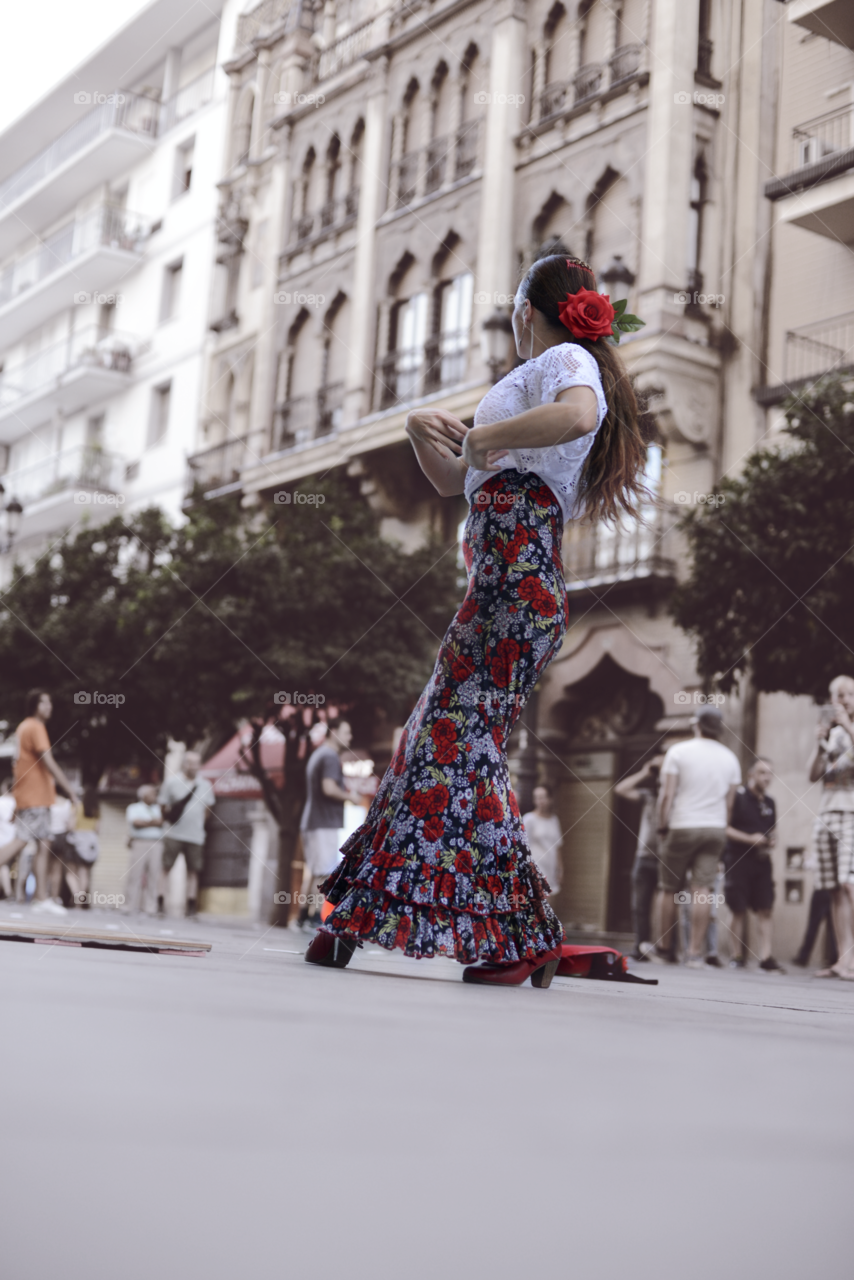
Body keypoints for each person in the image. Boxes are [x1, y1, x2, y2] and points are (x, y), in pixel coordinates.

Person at [307, 254, 649, 986]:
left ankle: (501, 934)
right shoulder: (536, 377)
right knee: (437, 743)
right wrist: (415, 431)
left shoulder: (563, 357)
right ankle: (407, 921)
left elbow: (578, 415)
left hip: (517, 585)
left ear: (528, 309)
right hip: (503, 584)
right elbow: (455, 481)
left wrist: (485, 438)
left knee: (448, 746)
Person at [655, 708, 742, 968]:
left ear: (696, 726)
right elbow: (730, 805)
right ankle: (694, 953)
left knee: (669, 887)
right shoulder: (731, 758)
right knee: (702, 891)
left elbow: (666, 796)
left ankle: (665, 949)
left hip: (683, 825)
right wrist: (721, 826)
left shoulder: (678, 752)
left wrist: (662, 825)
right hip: (715, 828)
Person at [0, 691, 78, 915]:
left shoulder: (23, 727)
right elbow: (48, 760)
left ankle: (41, 897)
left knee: (44, 843)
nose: (50, 705)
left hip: (35, 796)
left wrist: (17, 800)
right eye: (45, 701)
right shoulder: (35, 727)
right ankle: (41, 897)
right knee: (21, 841)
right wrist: (70, 790)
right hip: (35, 796)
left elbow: (18, 769)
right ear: (35, 705)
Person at [806, 675, 854, 978]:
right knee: (835, 889)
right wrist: (819, 744)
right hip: (827, 811)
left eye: (847, 694)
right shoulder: (835, 737)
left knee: (850, 885)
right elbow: (813, 775)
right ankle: (843, 960)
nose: (842, 700)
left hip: (852, 812)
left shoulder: (848, 732)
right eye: (837, 695)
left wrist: (847, 726)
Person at [724, 758, 784, 972]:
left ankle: (766, 957)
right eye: (762, 772)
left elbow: (773, 828)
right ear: (751, 774)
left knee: (765, 907)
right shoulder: (738, 798)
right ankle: (736, 955)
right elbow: (725, 828)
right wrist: (750, 839)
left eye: (769, 773)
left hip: (762, 861)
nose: (766, 777)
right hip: (738, 860)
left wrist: (772, 838)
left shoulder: (770, 802)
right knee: (738, 908)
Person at [295, 721, 352, 930]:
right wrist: (350, 797)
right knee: (324, 873)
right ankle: (315, 918)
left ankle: (303, 917)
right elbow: (328, 788)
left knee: (315, 871)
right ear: (334, 733)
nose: (350, 736)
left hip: (313, 820)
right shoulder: (329, 756)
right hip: (323, 821)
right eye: (347, 732)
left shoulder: (318, 754)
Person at [614, 755, 664, 961]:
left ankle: (665, 948)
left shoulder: (680, 798)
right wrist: (645, 772)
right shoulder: (648, 796)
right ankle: (641, 947)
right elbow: (621, 789)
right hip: (643, 857)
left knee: (665, 906)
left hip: (666, 859)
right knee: (639, 905)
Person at [157, 751, 215, 917]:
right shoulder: (171, 782)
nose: (193, 766)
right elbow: (163, 805)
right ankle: (160, 902)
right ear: (184, 764)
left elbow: (208, 810)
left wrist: (198, 826)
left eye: (196, 762)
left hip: (195, 836)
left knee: (193, 871)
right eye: (190, 762)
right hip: (173, 833)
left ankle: (190, 906)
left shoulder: (205, 785)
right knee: (165, 868)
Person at [123, 785, 164, 916]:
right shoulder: (134, 808)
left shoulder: (158, 808)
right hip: (139, 842)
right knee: (134, 875)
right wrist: (153, 822)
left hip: (156, 843)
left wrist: (146, 822)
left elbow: (161, 822)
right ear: (144, 796)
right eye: (152, 794)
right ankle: (128, 905)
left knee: (153, 875)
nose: (155, 797)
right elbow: (136, 823)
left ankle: (150, 907)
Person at [521, 784, 563, 898]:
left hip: (550, 867)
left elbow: (558, 846)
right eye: (537, 797)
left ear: (550, 799)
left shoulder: (554, 820)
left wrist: (560, 869)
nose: (540, 801)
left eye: (543, 797)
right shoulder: (529, 819)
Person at [0, 780, 15, 899]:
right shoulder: (18, 802)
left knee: (3, 864)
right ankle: (18, 893)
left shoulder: (1, 801)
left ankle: (8, 891)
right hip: (17, 838)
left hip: (3, 838)